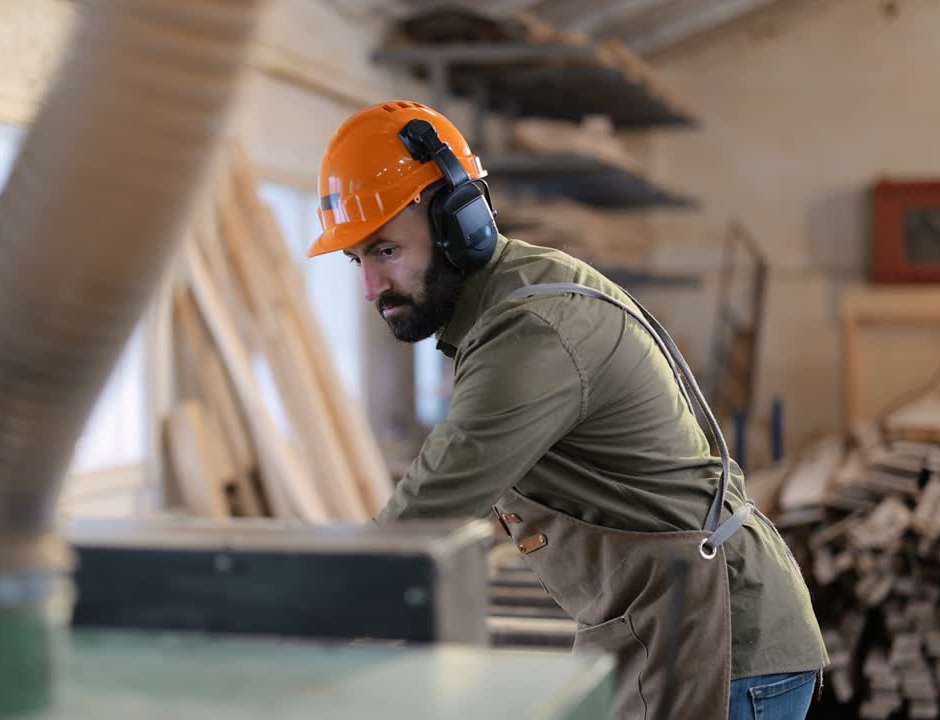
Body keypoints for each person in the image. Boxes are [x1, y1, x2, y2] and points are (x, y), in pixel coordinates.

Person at [306, 101, 828, 720]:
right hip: (667, 621)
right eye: (357, 259)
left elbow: (428, 510)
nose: (370, 287)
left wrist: (289, 628)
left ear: (457, 221)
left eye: (386, 250)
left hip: (722, 638)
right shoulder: (503, 305)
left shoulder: (529, 327)